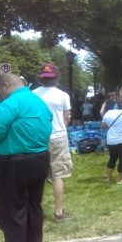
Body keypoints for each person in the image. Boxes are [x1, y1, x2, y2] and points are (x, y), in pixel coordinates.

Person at [0, 73, 52, 242]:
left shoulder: (10, 104)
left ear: (6, 86)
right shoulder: (38, 102)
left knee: (11, 216)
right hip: (40, 160)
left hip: (11, 165)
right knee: (33, 210)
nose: (0, 95)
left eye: (0, 91)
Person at [33, 63, 73, 222]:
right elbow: (67, 118)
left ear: (40, 78)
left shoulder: (33, 94)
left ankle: (36, 212)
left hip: (37, 137)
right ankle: (58, 212)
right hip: (58, 136)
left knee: (37, 176)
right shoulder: (63, 95)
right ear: (56, 77)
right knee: (57, 175)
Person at [101, 86, 122, 184]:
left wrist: (110, 128)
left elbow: (103, 124)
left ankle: (108, 178)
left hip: (111, 140)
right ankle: (119, 179)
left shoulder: (109, 112)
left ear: (116, 104)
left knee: (112, 158)